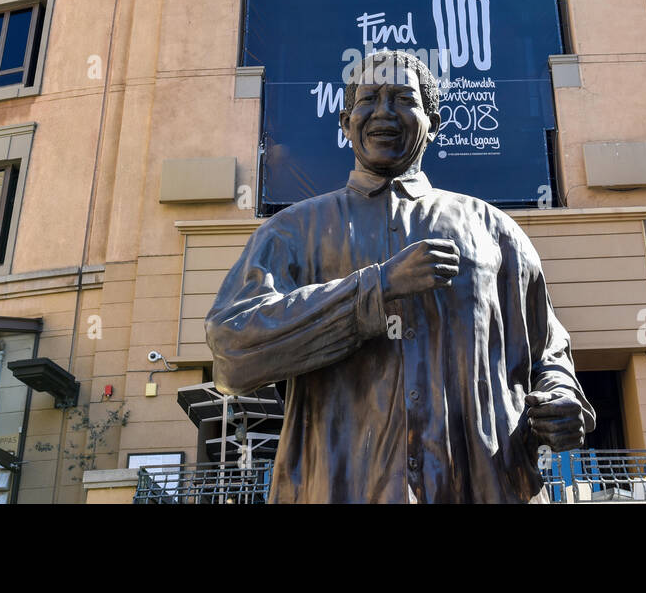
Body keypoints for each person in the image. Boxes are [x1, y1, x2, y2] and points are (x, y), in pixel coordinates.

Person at [206, 50, 593, 503]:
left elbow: (547, 351)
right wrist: (377, 287)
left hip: (480, 485)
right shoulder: (292, 231)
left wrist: (563, 400)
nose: (384, 111)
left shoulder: (495, 232)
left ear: (434, 119)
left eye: (403, 98)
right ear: (345, 121)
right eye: (369, 98)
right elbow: (232, 349)